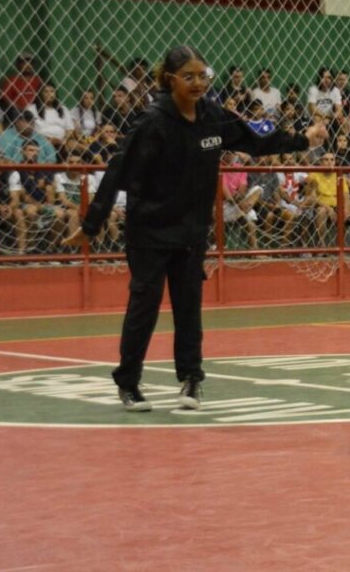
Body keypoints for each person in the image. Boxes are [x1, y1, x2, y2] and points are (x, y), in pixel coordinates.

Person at [63, 45, 326, 412]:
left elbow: (255, 139)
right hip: (150, 232)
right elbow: (117, 171)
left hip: (190, 233)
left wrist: (303, 139)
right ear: (170, 80)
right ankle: (129, 382)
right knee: (145, 306)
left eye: (203, 75)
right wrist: (91, 224)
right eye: (189, 76)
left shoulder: (213, 117)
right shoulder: (152, 124)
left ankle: (191, 379)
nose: (198, 82)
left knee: (189, 307)